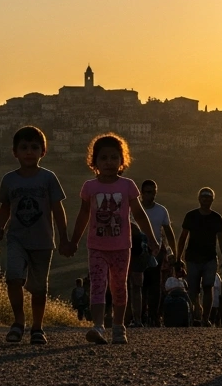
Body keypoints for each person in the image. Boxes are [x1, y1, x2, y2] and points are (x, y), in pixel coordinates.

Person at [65, 133, 160, 344]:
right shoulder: (89, 187)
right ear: (94, 162)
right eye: (104, 158)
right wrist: (73, 241)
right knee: (98, 286)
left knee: (119, 287)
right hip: (96, 247)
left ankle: (118, 327)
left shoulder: (128, 186)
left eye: (114, 158)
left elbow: (139, 214)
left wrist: (151, 239)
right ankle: (98, 326)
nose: (109, 163)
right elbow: (83, 215)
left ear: (122, 161)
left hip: (121, 247)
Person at [0, 126, 68, 345]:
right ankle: (18, 322)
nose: (29, 152)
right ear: (14, 152)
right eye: (23, 147)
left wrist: (64, 237)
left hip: (43, 241)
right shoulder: (9, 180)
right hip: (16, 239)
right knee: (13, 278)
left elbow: (57, 209)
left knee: (39, 288)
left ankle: (37, 327)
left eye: (34, 147)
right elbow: (5, 209)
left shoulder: (49, 179)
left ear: (43, 151)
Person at [177, 187, 222, 326]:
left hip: (210, 258)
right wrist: (178, 257)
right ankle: (194, 316)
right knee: (193, 289)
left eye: (209, 197)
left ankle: (205, 318)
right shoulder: (191, 216)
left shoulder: (217, 218)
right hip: (192, 257)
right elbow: (183, 238)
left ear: (212, 199)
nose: (206, 199)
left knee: (208, 286)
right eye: (204, 196)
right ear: (199, 199)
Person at [136, 179, 177, 326]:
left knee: (154, 284)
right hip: (137, 251)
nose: (150, 195)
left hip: (155, 251)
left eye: (153, 192)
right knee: (138, 284)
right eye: (147, 192)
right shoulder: (133, 209)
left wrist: (175, 253)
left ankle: (153, 316)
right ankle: (139, 315)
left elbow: (168, 232)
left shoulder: (161, 210)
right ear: (141, 193)